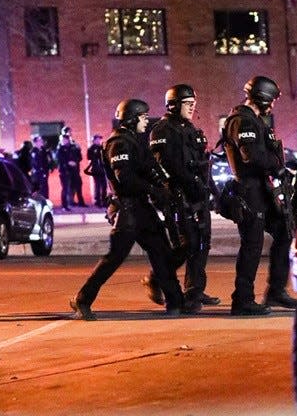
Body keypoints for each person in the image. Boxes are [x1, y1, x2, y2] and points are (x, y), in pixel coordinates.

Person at [70, 99, 184, 320]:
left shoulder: (134, 140)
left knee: (161, 252)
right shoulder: (119, 143)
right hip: (128, 210)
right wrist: (154, 189)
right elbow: (126, 179)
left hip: (142, 207)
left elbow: (146, 168)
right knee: (114, 258)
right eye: (143, 117)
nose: (146, 121)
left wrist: (163, 187)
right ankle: (82, 299)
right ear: (132, 119)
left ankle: (175, 302)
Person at [222, 76, 297, 316]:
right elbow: (251, 156)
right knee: (252, 245)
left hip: (263, 189)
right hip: (250, 190)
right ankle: (242, 300)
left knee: (285, 232)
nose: (273, 105)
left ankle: (276, 290)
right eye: (271, 100)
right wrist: (277, 165)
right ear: (262, 97)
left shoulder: (254, 120)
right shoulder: (242, 121)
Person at [144, 85, 220, 313]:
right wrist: (185, 188)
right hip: (179, 197)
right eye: (187, 103)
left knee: (202, 244)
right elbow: (166, 167)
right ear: (174, 105)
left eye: (193, 103)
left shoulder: (188, 128)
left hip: (198, 194)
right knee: (188, 245)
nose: (192, 107)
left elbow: (200, 165)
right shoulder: (162, 130)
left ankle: (194, 291)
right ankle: (157, 278)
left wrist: (212, 192)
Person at [56, 133, 86, 209]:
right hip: (64, 171)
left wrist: (75, 162)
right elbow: (59, 160)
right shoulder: (60, 149)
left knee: (78, 185)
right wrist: (68, 162)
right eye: (62, 140)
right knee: (65, 188)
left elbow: (79, 157)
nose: (64, 141)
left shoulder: (73, 147)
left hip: (74, 170)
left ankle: (80, 202)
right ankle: (65, 206)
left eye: (65, 139)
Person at [85, 134, 108, 207]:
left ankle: (104, 201)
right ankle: (97, 201)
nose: (99, 141)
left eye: (99, 139)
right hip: (96, 169)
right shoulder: (91, 148)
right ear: (94, 140)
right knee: (97, 186)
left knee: (104, 186)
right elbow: (89, 157)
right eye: (97, 139)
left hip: (103, 169)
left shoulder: (102, 147)